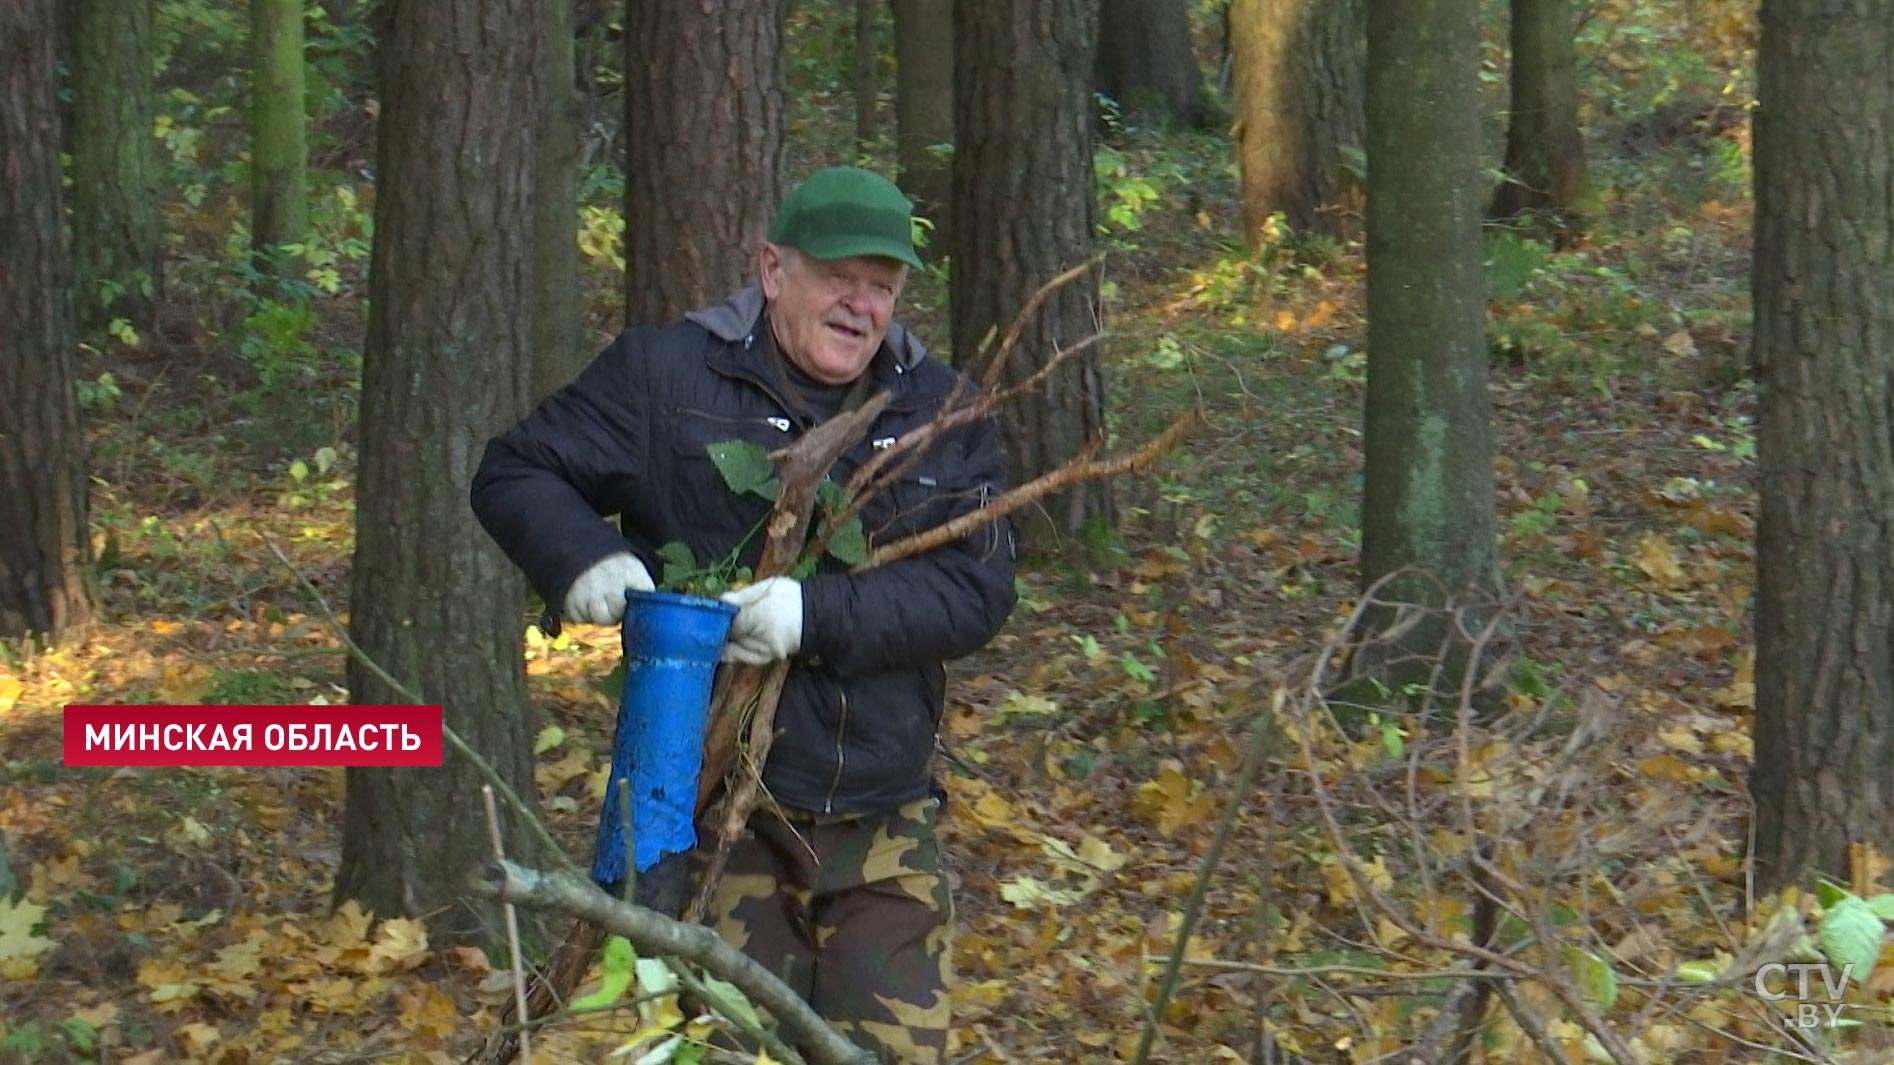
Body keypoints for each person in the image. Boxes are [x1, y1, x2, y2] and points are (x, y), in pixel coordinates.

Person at [470, 166, 1017, 1064]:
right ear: (772, 270)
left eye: (882, 286)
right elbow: (516, 469)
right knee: (729, 1049)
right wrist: (586, 557)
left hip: (882, 819)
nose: (861, 304)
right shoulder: (666, 375)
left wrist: (816, 613)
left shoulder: (939, 408)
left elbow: (978, 589)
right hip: (720, 817)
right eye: (839, 276)